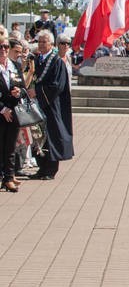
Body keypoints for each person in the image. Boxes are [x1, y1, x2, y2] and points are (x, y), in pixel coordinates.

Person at [27, 30, 73, 180]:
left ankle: (50, 170)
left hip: (52, 105)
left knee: (52, 136)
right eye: (39, 41)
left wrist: (38, 92)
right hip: (38, 105)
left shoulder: (56, 61)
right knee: (39, 136)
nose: (41, 44)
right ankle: (41, 166)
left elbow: (56, 86)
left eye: (44, 42)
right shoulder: (37, 60)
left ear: (51, 44)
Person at [0, 35, 24, 192]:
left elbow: (22, 86)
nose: (3, 50)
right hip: (1, 111)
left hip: (14, 111)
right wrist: (2, 109)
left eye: (6, 47)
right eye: (0, 47)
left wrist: (19, 92)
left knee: (10, 147)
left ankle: (8, 178)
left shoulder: (14, 65)